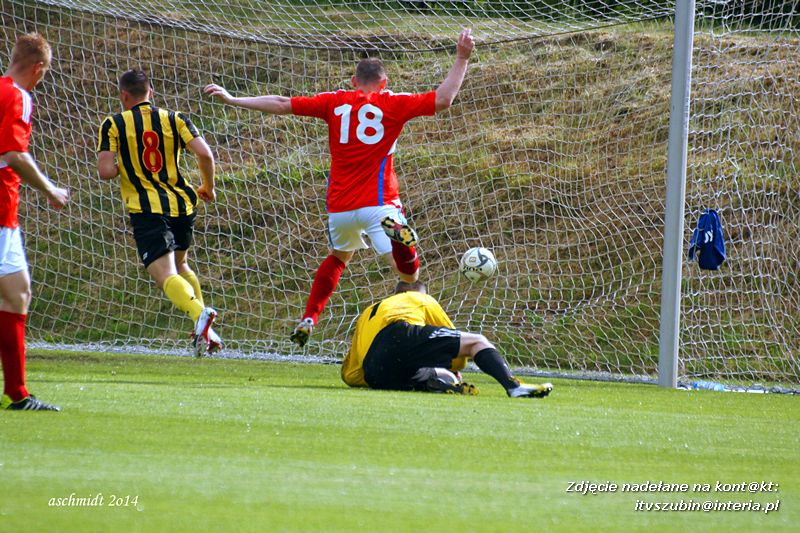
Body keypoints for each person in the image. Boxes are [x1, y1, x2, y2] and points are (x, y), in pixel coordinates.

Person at [204, 28, 475, 348]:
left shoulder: (334, 102)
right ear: (384, 83)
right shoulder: (393, 103)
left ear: (353, 81)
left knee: (338, 258)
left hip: (341, 207)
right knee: (409, 279)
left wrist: (234, 98)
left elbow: (280, 103)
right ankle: (401, 240)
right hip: (380, 201)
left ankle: (310, 317)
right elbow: (444, 99)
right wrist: (461, 57)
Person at [97, 69, 221, 357]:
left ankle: (200, 315)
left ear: (123, 95)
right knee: (182, 265)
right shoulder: (175, 118)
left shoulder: (114, 123)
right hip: (182, 204)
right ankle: (204, 332)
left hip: (147, 209)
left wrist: (122, 167)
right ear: (150, 93)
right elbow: (205, 154)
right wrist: (208, 187)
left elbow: (105, 172)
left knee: (165, 274)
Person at [0, 33, 69, 411]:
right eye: (47, 71)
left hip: (5, 215)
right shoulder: (18, 96)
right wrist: (49, 190)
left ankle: (18, 392)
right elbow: (13, 153)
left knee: (17, 292)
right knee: (16, 294)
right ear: (38, 68)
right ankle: (18, 392)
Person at [341, 281, 553, 398]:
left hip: (375, 372)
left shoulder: (368, 313)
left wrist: (372, 379)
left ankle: (434, 382)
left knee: (424, 373)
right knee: (477, 341)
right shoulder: (420, 298)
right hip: (400, 333)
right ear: (414, 291)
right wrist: (455, 368)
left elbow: (349, 375)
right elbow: (457, 352)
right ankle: (513, 386)